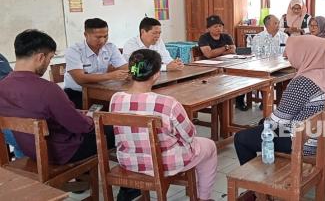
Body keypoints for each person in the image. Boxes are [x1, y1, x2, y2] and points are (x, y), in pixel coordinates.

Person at [110, 49, 217, 201]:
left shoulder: (116, 99)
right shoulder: (167, 103)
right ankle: (203, 198)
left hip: (129, 161)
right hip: (165, 163)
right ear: (156, 74)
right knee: (209, 146)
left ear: (132, 71)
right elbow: (189, 135)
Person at [0, 29, 115, 166]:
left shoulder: (3, 86)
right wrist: (92, 118)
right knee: (116, 130)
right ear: (41, 57)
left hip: (30, 150)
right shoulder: (47, 89)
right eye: (50, 58)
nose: (49, 63)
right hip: (62, 152)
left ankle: (83, 180)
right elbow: (80, 126)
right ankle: (126, 184)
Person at [234, 35, 325, 165]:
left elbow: (279, 120)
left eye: (293, 51)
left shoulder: (303, 83)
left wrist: (263, 125)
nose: (287, 56)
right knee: (262, 124)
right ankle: (271, 165)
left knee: (241, 138)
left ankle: (258, 179)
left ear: (305, 53)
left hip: (305, 142)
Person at [64, 18, 128, 109]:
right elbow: (80, 79)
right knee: (89, 118)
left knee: (120, 108)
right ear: (86, 35)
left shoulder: (111, 47)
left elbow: (125, 68)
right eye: (98, 37)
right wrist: (111, 76)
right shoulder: (74, 50)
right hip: (77, 93)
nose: (102, 41)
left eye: (105, 36)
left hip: (102, 91)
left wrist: (131, 72)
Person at [198, 15, 246, 110]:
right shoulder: (204, 38)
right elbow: (208, 54)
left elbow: (233, 50)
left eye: (220, 26)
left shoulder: (226, 36)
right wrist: (225, 48)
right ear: (209, 28)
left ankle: (239, 101)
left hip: (227, 63)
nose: (218, 28)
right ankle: (219, 101)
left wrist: (216, 52)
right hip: (209, 66)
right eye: (215, 26)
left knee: (241, 74)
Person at [0, 53, 24, 158]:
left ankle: (24, 170)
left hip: (12, 109)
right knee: (24, 140)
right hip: (5, 114)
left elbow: (11, 79)